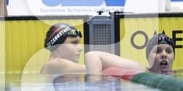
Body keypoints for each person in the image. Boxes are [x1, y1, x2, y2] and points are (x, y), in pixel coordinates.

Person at [40, 23, 175, 76]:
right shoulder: (56, 64)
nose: (80, 48)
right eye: (74, 43)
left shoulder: (56, 68)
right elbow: (93, 59)